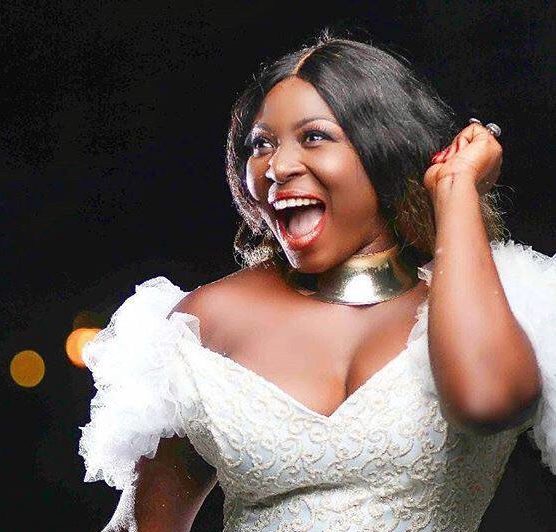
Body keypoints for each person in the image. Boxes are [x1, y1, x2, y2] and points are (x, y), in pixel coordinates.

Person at [79, 31, 556, 531]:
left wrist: (455, 187)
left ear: (384, 148)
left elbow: (486, 402)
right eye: (261, 144)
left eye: (313, 137)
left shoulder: (499, 301)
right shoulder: (203, 326)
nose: (277, 167)